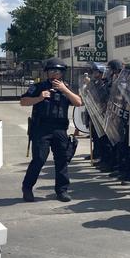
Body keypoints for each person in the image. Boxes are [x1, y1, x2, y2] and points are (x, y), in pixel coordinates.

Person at [21, 58, 82, 202]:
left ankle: (62, 190)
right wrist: (39, 98)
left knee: (62, 160)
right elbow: (23, 101)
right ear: (47, 72)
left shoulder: (66, 88)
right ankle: (27, 188)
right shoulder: (39, 87)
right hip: (42, 129)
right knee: (39, 159)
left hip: (60, 129)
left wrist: (64, 90)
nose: (55, 73)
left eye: (58, 71)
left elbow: (78, 102)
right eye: (52, 70)